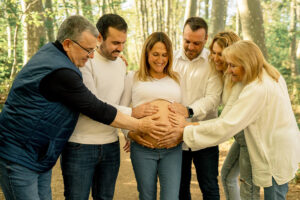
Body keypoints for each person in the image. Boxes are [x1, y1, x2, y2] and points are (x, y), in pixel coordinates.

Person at [0, 15, 167, 200]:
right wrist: (140, 125)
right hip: (19, 155)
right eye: (88, 50)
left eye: (93, 49)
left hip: (38, 155)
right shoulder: (62, 72)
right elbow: (95, 107)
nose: (92, 55)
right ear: (67, 44)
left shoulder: (54, 55)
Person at [171, 40, 300, 200]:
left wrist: (186, 131)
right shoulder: (268, 75)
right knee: (228, 175)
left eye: (233, 65)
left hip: (274, 152)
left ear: (246, 63)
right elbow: (226, 119)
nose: (229, 71)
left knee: (273, 195)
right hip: (280, 146)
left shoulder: (257, 89)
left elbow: (226, 125)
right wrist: (190, 126)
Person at [60, 14, 158, 200]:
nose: (120, 48)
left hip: (110, 146)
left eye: (123, 43)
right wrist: (133, 115)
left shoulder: (121, 64)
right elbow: (92, 104)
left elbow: (120, 102)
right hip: (80, 145)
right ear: (99, 38)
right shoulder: (84, 61)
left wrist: (127, 132)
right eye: (115, 43)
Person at [120, 32, 183, 200]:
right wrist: (130, 134)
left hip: (172, 149)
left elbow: (184, 112)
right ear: (147, 53)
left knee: (171, 197)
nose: (160, 59)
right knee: (147, 196)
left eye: (164, 55)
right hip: (143, 148)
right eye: (155, 54)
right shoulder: (133, 77)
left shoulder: (176, 78)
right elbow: (122, 110)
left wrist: (180, 135)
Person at [169, 17, 223, 200]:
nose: (191, 47)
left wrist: (188, 110)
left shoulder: (213, 61)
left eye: (197, 43)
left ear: (206, 39)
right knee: (180, 188)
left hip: (204, 134)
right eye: (187, 41)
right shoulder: (170, 59)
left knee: (209, 187)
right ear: (182, 36)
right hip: (176, 136)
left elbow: (213, 98)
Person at [210, 31, 260, 200]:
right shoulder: (225, 73)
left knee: (248, 187)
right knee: (226, 175)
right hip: (240, 138)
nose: (216, 58)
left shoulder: (238, 78)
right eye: (214, 52)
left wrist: (188, 130)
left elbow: (225, 120)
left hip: (249, 138)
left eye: (220, 55)